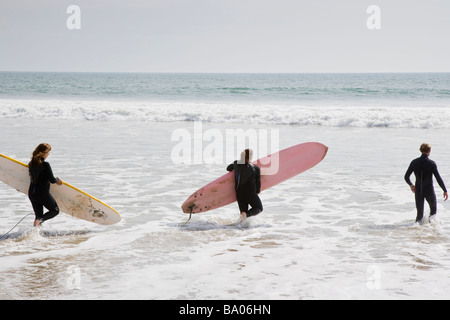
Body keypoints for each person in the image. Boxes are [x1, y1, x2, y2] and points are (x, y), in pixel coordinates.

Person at [404, 143, 448, 223]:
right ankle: (430, 230)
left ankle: (416, 231)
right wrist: (444, 190)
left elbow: (406, 177)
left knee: (419, 213)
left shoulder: (414, 162)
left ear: (420, 150)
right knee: (433, 211)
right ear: (429, 151)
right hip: (429, 190)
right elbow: (438, 178)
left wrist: (411, 185)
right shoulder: (431, 163)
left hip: (418, 190)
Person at [28, 143, 62, 227]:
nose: (48, 154)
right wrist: (57, 179)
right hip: (42, 193)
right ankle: (39, 221)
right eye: (48, 152)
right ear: (44, 153)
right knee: (55, 210)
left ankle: (36, 235)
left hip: (32, 193)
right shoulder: (45, 165)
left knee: (38, 216)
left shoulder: (31, 164)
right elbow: (52, 180)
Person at [227, 148, 263, 222]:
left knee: (242, 217)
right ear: (251, 157)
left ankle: (240, 228)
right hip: (250, 193)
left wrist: (236, 167)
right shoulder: (255, 168)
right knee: (258, 208)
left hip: (239, 194)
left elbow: (228, 168)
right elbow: (258, 186)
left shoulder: (236, 163)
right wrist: (256, 193)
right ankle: (247, 214)